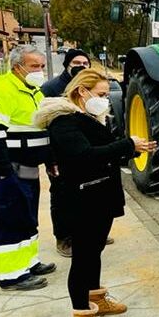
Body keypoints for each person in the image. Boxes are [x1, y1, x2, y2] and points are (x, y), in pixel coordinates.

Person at [34, 68, 156, 317]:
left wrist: (132, 148)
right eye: (100, 94)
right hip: (82, 201)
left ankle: (96, 296)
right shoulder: (63, 121)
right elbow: (84, 157)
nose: (104, 99)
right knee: (83, 258)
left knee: (94, 251)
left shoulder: (88, 117)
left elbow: (104, 152)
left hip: (98, 197)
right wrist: (127, 145)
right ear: (82, 92)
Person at [0, 44, 57, 291]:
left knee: (27, 217)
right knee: (9, 220)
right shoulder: (2, 89)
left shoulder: (34, 91)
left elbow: (40, 130)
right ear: (17, 67)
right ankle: (11, 275)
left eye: (42, 66)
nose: (40, 71)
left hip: (28, 167)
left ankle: (28, 262)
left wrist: (49, 159)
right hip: (9, 168)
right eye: (35, 66)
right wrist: (4, 172)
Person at [40, 48, 93, 257]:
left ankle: (87, 232)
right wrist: (50, 159)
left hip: (85, 150)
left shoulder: (89, 88)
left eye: (85, 63)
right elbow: (43, 126)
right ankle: (63, 238)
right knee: (62, 196)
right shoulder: (51, 89)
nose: (81, 66)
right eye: (76, 62)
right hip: (60, 155)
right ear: (67, 65)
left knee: (87, 194)